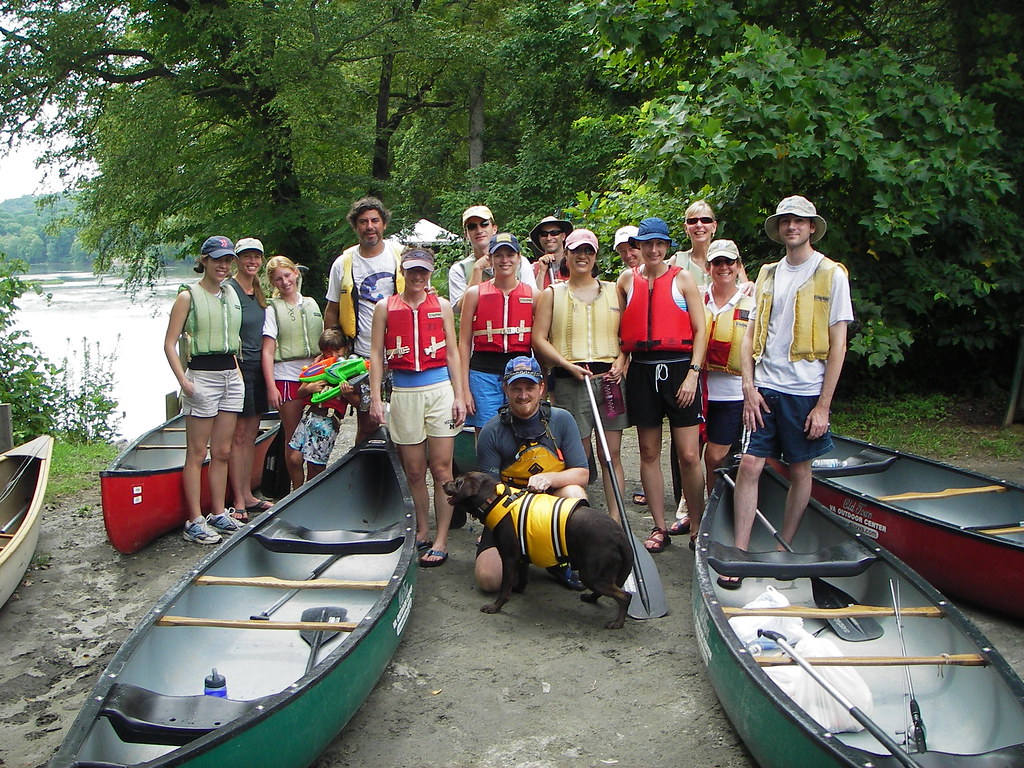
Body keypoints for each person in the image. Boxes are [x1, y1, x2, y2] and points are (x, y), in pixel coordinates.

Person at [726, 196, 853, 590]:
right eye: (785, 221)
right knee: (750, 465)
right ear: (779, 228)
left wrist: (823, 406)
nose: (792, 227)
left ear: (812, 227)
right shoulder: (767, 273)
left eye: (799, 221)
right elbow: (749, 334)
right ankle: (740, 553)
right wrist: (748, 386)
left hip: (805, 391)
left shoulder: (831, 274)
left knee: (800, 470)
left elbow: (839, 344)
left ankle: (784, 546)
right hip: (764, 387)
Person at [369, 247, 466, 567]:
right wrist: (376, 398)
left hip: (439, 391)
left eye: (423, 271)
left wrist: (459, 395)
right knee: (413, 470)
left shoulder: (442, 306)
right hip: (404, 392)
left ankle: (441, 539)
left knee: (442, 469)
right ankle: (422, 530)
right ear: (403, 271)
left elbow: (452, 352)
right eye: (412, 270)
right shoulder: (385, 307)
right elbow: (376, 355)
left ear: (430, 272)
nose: (418, 276)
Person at [616, 218, 707, 553]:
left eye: (660, 244)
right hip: (642, 371)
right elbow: (622, 328)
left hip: (680, 369)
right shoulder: (626, 280)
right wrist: (621, 359)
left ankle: (696, 525)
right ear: (638, 246)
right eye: (647, 244)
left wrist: (693, 374)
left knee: (689, 454)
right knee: (649, 452)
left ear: (667, 246)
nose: (654, 250)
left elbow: (700, 329)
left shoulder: (682, 278)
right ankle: (659, 526)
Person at [532, 228, 628, 521]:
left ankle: (615, 520)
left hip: (609, 380)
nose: (582, 256)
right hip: (571, 380)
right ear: (567, 255)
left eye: (588, 251)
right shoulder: (553, 293)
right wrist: (565, 363)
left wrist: (622, 359)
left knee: (610, 453)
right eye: (576, 251)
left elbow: (627, 335)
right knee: (578, 456)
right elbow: (539, 338)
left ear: (596, 256)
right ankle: (576, 521)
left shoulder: (614, 290)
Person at [474, 356, 589, 591]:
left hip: (552, 506)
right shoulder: (491, 431)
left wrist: (550, 479)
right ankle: (522, 555)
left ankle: (560, 558)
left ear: (542, 388)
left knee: (574, 492)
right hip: (509, 512)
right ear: (505, 389)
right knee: (488, 580)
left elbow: (582, 474)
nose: (523, 395)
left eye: (530, 387)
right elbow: (489, 493)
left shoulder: (562, 420)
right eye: (516, 388)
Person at [162, 236, 244, 544]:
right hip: (202, 377)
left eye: (228, 260)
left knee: (222, 451)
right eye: (218, 259)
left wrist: (238, 376)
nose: (223, 265)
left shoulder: (230, 293)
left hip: (230, 377)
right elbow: (169, 343)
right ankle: (194, 520)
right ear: (204, 261)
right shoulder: (188, 297)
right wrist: (183, 381)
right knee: (197, 452)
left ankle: (218, 513)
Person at [324, 196, 404, 444]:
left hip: (400, 352)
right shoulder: (343, 263)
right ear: (355, 226)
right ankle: (362, 464)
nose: (370, 227)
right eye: (363, 222)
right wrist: (331, 353)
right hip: (363, 354)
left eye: (375, 221)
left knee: (404, 422)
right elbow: (332, 309)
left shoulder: (401, 256)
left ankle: (400, 467)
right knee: (368, 421)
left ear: (384, 224)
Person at [459, 232, 536, 430]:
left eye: (510, 255)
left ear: (519, 258)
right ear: (490, 259)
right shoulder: (474, 294)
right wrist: (464, 390)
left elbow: (540, 340)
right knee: (487, 433)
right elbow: (464, 342)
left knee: (522, 432)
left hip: (521, 373)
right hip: (482, 374)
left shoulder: (534, 295)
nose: (504, 260)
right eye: (498, 255)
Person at [262, 255, 324, 491]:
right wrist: (271, 387)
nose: (285, 282)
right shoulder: (272, 309)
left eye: (287, 275)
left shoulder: (311, 303)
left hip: (314, 373)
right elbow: (267, 351)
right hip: (287, 376)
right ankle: (296, 489)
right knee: (294, 436)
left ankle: (313, 485)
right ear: (273, 283)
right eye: (278, 279)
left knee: (317, 430)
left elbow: (324, 339)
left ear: (296, 273)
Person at [699, 239, 754, 496]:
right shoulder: (696, 298)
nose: (723, 267)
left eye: (729, 262)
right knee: (688, 455)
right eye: (717, 262)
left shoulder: (752, 302)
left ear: (738, 266)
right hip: (698, 391)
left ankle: (716, 506)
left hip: (732, 395)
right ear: (708, 267)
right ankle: (692, 505)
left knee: (715, 457)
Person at [224, 236, 273, 521]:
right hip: (239, 367)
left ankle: (249, 494)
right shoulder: (229, 290)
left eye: (256, 257)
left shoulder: (259, 292)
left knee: (252, 433)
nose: (252, 261)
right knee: (240, 435)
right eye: (246, 257)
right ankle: (238, 499)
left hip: (258, 367)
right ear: (237, 260)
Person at [291, 328, 360, 483]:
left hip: (328, 419)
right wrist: (309, 388)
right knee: (294, 459)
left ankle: (311, 494)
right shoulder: (318, 365)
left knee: (315, 466)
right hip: (309, 416)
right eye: (328, 351)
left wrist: (347, 393)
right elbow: (300, 392)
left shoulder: (350, 368)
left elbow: (357, 402)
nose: (333, 355)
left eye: (337, 350)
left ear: (345, 348)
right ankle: (297, 493)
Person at [448, 205, 536, 313]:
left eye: (484, 224)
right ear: (466, 234)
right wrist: (477, 269)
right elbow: (460, 309)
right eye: (472, 226)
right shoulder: (459, 269)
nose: (479, 230)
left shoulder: (520, 262)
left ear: (494, 228)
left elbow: (533, 299)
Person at [529, 216, 573, 290]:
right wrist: (541, 272)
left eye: (554, 233)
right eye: (544, 234)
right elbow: (535, 295)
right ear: (539, 238)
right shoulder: (532, 269)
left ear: (563, 236)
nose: (549, 238)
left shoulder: (574, 265)